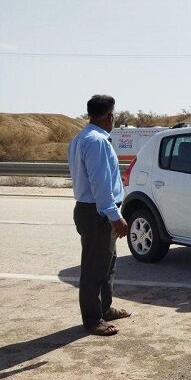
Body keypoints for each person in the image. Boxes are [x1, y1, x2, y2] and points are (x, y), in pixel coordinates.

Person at [68, 95, 130, 336]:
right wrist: (115, 215)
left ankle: (105, 308)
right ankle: (93, 319)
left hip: (93, 209)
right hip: (98, 212)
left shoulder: (81, 138)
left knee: (107, 262)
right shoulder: (97, 141)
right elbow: (100, 183)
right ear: (111, 115)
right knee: (94, 268)